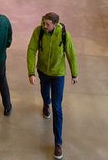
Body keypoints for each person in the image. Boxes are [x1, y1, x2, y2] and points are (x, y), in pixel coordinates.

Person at [27, 12, 79, 160]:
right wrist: (31, 72)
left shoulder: (64, 36)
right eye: (44, 23)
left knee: (57, 107)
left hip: (58, 75)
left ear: (56, 24)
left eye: (48, 24)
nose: (44, 26)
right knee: (45, 95)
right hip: (43, 71)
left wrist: (74, 74)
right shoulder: (39, 32)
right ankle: (45, 104)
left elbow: (71, 54)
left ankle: (58, 143)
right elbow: (31, 50)